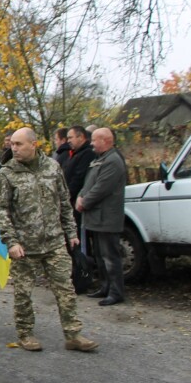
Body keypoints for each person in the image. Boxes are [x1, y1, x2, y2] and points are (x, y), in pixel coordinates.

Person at [0, 127, 98, 353]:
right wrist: (11, 241)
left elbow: (64, 201)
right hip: (24, 245)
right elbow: (0, 210)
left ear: (34, 144)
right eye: (13, 144)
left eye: (19, 144)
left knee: (65, 290)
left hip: (54, 242)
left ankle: (73, 334)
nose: (14, 148)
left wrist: (71, 233)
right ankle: (25, 333)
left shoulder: (53, 167)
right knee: (23, 292)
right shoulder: (7, 173)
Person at [76, 128, 127, 306]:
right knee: (99, 256)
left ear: (106, 140)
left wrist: (84, 202)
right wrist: (80, 195)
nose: (91, 143)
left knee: (110, 257)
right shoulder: (100, 159)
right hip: (96, 218)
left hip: (107, 218)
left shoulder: (113, 161)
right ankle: (105, 287)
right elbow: (89, 183)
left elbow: (101, 188)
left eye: (94, 140)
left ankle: (116, 292)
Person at [63, 125, 96, 294]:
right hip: (70, 204)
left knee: (79, 244)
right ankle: (76, 276)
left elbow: (78, 179)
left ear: (81, 137)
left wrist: (66, 197)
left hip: (77, 205)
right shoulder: (75, 154)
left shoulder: (86, 154)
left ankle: (83, 278)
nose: (68, 141)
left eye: (70, 138)